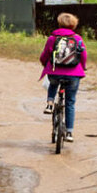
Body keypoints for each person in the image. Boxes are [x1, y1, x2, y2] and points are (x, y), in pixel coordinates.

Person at [39, 12, 88, 143]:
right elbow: (83, 56)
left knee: (53, 83)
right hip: (73, 75)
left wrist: (45, 64)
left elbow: (44, 55)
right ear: (73, 25)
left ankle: (49, 104)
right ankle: (69, 132)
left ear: (59, 23)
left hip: (55, 72)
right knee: (70, 102)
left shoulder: (52, 38)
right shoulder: (77, 39)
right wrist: (83, 67)